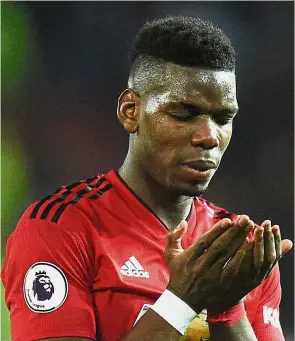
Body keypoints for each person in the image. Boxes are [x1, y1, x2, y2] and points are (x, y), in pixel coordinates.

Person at [2, 15, 293, 341]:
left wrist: (227, 308)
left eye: (223, 118)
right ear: (130, 111)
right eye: (184, 114)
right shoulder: (59, 229)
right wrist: (182, 301)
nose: (209, 136)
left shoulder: (239, 252)